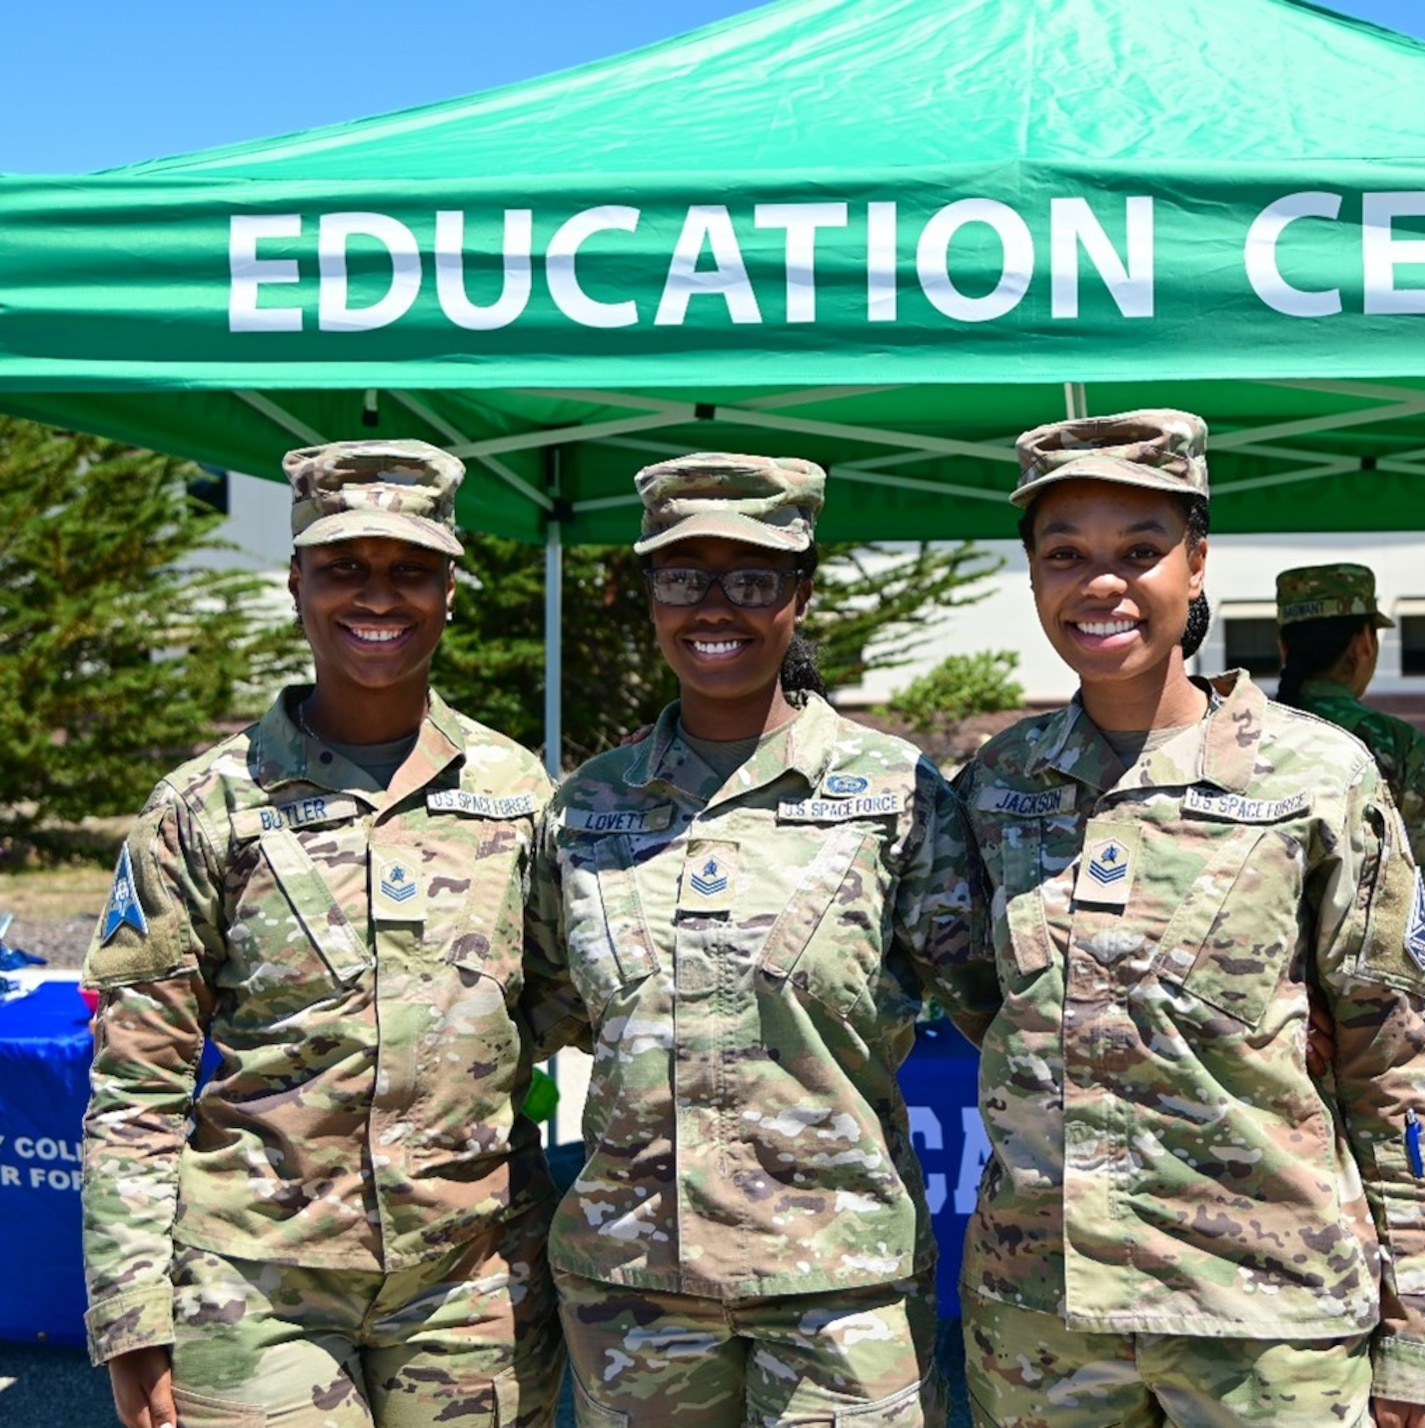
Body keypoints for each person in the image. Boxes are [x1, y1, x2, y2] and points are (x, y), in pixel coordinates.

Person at [955, 410, 1425, 1428]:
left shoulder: (1317, 777)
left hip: (1265, 1322)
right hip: (1041, 1328)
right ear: (1033, 579)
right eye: (1064, 554)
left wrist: (1419, 1340)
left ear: (1195, 566)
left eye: (1139, 551)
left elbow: (1393, 1064)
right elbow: (982, 1003)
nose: (1100, 582)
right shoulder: (994, 786)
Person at [81, 440, 570, 1428]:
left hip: (470, 1283)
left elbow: (565, 1004)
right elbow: (136, 1082)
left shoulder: (516, 792)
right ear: (295, 582)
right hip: (259, 1287)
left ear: (449, 591)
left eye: (410, 570)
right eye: (344, 567)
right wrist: (131, 1314)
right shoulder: (206, 805)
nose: (377, 597)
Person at [529, 453, 998, 1428]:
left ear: (799, 592)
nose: (715, 607)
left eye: (751, 577)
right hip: (632, 1295)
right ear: (643, 593)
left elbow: (1002, 1009)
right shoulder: (586, 809)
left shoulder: (897, 798)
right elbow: (540, 1007)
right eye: (682, 576)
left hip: (840, 1296)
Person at [1272, 565, 1425, 951]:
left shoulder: (1245, 735)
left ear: (1283, 646)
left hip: (1260, 993)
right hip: (1369, 999)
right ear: (1364, 642)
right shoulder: (1398, 747)